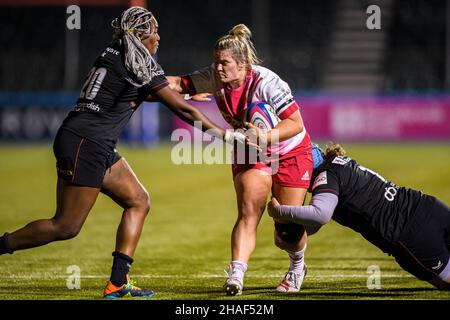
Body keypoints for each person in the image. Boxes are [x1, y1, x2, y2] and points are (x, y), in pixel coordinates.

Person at [0, 7, 248, 299]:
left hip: (90, 140)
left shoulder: (116, 53)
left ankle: (118, 282)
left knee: (138, 201)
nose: (158, 36)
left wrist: (180, 92)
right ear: (142, 37)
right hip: (87, 142)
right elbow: (178, 108)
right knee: (65, 226)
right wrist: (225, 135)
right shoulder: (137, 60)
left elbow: (142, 91)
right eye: (154, 31)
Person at [167, 24, 313, 295]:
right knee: (248, 212)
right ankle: (236, 275)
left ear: (243, 64)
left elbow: (295, 124)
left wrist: (264, 136)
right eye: (216, 62)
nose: (218, 68)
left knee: (287, 230)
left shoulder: (267, 83)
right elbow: (176, 84)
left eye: (224, 63)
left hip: (289, 149)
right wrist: (144, 80)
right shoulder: (214, 77)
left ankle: (297, 265)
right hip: (251, 149)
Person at [268, 143, 450, 290]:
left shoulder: (325, 174)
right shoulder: (337, 162)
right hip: (427, 205)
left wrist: (280, 212)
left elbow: (320, 215)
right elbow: (313, 225)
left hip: (410, 233)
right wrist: (289, 233)